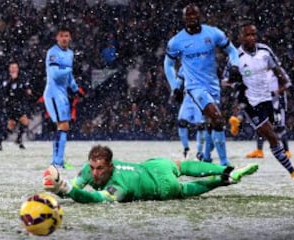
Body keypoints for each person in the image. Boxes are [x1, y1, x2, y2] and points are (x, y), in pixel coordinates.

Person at [42, 145, 259, 203]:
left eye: (100, 168)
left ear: (110, 166)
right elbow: (77, 186)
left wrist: (67, 189)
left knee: (185, 189)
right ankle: (228, 171)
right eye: (93, 168)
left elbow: (93, 198)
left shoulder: (119, 187)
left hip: (162, 188)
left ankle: (225, 179)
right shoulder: (89, 169)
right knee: (182, 166)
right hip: (153, 166)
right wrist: (61, 187)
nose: (95, 173)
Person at [164, 3, 241, 166]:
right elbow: (168, 65)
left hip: (213, 85)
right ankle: (224, 164)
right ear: (184, 19)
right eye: (188, 15)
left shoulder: (213, 33)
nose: (191, 18)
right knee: (218, 119)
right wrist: (175, 87)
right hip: (194, 87)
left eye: (194, 15)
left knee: (213, 124)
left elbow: (233, 51)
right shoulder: (176, 41)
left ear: (200, 16)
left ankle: (206, 158)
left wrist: (235, 65)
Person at [225, 22, 294, 181]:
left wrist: (284, 82)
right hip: (249, 101)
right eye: (247, 35)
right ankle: (293, 171)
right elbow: (225, 80)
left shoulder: (265, 51)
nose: (251, 38)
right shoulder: (235, 56)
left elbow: (276, 67)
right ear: (241, 37)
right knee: (271, 135)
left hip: (266, 98)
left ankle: (238, 122)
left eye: (253, 34)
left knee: (274, 130)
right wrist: (234, 80)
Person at [43, 26, 84, 169]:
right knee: (63, 126)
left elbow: (68, 76)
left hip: (63, 94)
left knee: (63, 127)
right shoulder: (53, 53)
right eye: (62, 36)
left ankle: (56, 162)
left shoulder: (70, 53)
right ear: (57, 38)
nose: (64, 38)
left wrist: (75, 89)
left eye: (67, 36)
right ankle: (57, 162)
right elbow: (55, 74)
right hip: (53, 93)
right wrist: (69, 68)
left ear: (70, 37)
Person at [244, 70, 292, 159]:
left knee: (280, 126)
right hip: (264, 101)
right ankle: (259, 150)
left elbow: (287, 84)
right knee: (261, 125)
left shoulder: (276, 69)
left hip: (277, 102)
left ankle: (286, 150)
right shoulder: (259, 68)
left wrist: (276, 92)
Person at [175, 66, 214, 161]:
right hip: (188, 97)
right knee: (181, 122)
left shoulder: (205, 64)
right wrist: (176, 90)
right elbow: (179, 80)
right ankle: (186, 149)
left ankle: (199, 152)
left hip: (200, 96)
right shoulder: (184, 66)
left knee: (201, 125)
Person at [0, 61, 32, 151]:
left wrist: (27, 90)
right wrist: (11, 82)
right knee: (23, 121)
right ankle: (17, 140)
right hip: (11, 105)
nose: (14, 69)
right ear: (9, 69)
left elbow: (24, 88)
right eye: (12, 67)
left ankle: (0, 141)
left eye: (15, 67)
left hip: (19, 104)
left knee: (13, 125)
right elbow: (4, 92)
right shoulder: (6, 79)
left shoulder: (21, 78)